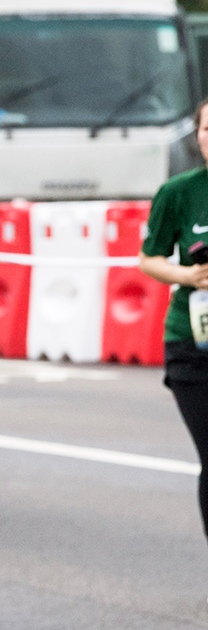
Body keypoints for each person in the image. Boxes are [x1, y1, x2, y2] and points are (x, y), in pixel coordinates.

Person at [140, 94, 208, 547]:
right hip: (192, 342)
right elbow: (149, 259)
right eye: (207, 129)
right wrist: (187, 274)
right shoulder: (179, 192)